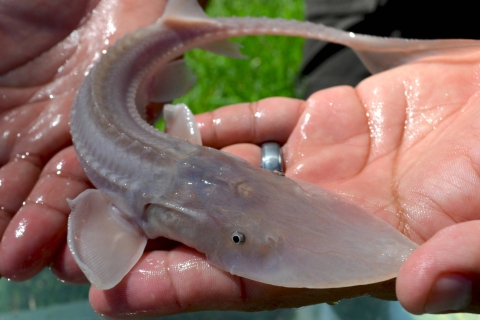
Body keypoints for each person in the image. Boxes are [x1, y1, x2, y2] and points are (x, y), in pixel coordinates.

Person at [0, 0, 479, 317]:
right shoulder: (141, 205)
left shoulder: (188, 155)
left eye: (238, 237)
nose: (238, 241)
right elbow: (104, 261)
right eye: (236, 239)